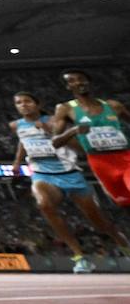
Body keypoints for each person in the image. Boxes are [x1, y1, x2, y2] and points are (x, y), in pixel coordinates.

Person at [11, 91, 129, 272]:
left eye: (27, 101)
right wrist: (18, 161)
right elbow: (22, 141)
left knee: (100, 223)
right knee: (44, 204)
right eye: (19, 103)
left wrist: (51, 132)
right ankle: (79, 257)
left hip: (71, 173)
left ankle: (122, 243)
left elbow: (80, 147)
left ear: (38, 104)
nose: (23, 105)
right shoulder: (16, 125)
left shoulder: (57, 119)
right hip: (43, 174)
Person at [50, 70, 130, 209]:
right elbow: (55, 142)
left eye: (81, 79)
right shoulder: (66, 109)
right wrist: (73, 131)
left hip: (125, 157)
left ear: (89, 82)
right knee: (124, 203)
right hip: (100, 162)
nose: (78, 82)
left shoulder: (113, 106)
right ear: (68, 87)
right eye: (72, 80)